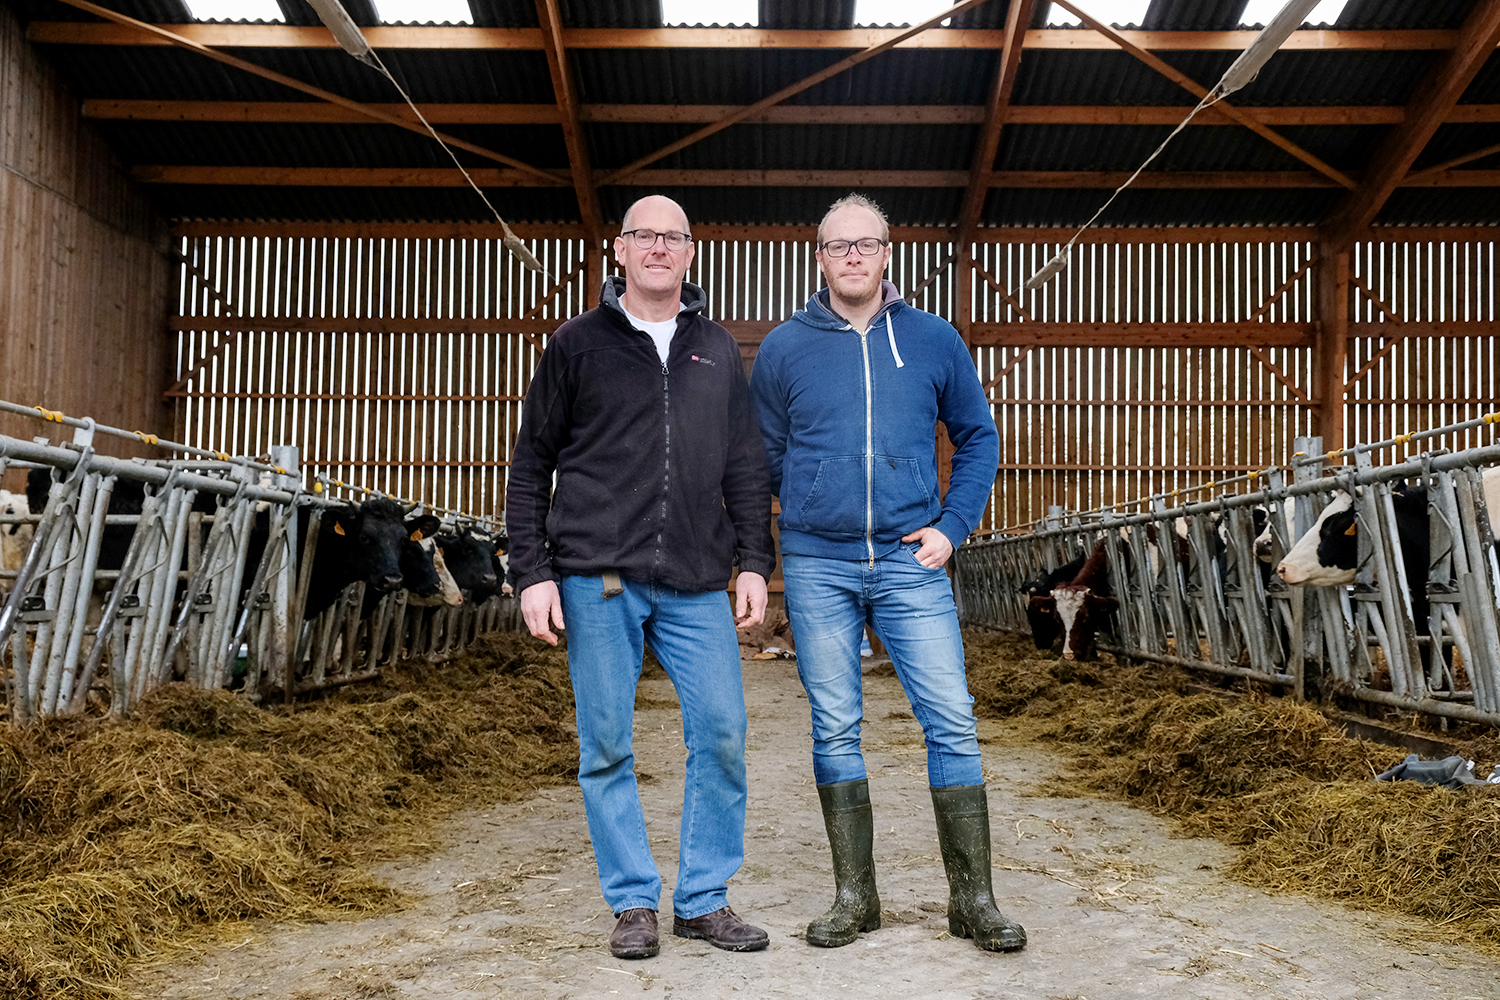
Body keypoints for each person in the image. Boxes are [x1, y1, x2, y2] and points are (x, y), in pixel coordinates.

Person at [749, 193, 1024, 953]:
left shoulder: (933, 340)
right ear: (819, 258)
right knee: (835, 724)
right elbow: (764, 451)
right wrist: (808, 502)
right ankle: (854, 897)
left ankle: (973, 901)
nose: (853, 257)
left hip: (911, 562)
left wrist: (952, 527)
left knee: (952, 720)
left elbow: (977, 436)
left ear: (887, 253)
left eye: (865, 244)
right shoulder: (783, 348)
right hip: (817, 564)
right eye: (838, 246)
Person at [506, 195, 775, 960]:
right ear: (618, 251)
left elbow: (746, 466)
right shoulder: (575, 345)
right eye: (643, 235)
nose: (658, 247)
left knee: (722, 732)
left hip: (695, 579)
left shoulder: (717, 349)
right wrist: (532, 571)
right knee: (607, 744)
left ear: (691, 253)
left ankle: (701, 899)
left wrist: (754, 560)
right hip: (599, 576)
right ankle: (632, 901)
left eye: (673, 236)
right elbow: (532, 465)